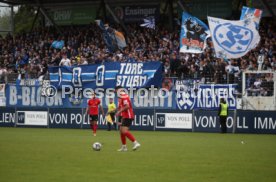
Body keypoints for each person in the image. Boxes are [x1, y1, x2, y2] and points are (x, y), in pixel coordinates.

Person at [115, 86, 140, 152]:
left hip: (128, 115)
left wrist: (119, 111)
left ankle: (135, 143)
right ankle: (124, 147)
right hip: (124, 116)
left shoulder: (124, 96)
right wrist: (115, 110)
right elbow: (121, 106)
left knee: (124, 131)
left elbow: (127, 106)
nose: (116, 92)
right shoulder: (121, 97)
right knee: (121, 130)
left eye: (116, 90)